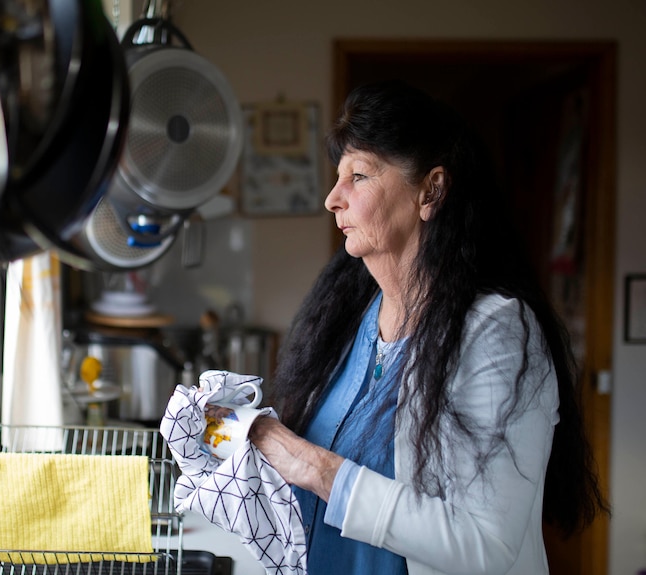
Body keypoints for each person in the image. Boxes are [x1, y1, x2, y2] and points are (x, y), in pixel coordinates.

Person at [248, 79, 608, 575]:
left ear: (430, 190)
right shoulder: (349, 319)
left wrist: (313, 468)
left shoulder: (497, 333)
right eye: (337, 177)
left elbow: (483, 547)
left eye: (358, 176)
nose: (333, 198)